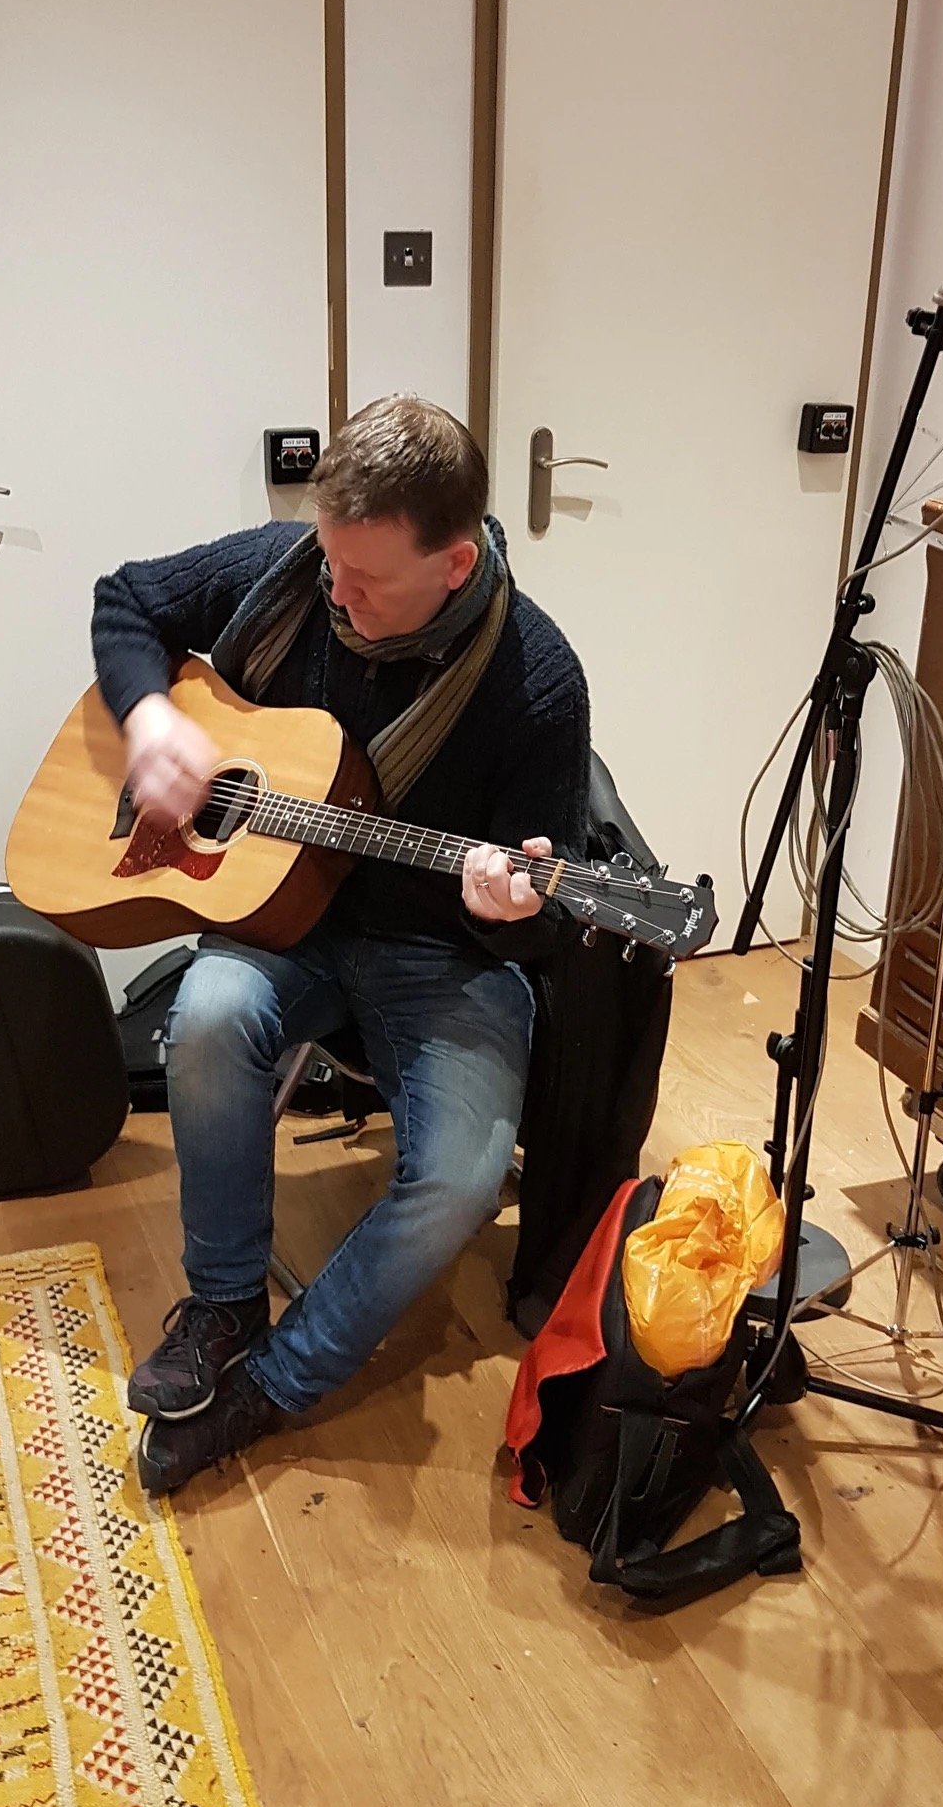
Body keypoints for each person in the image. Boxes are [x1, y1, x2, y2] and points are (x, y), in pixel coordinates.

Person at [92, 394, 590, 1496]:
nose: (334, 591)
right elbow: (126, 600)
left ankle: (274, 1382)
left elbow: (548, 919)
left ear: (455, 564)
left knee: (460, 1181)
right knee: (208, 1019)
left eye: (366, 578)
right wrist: (153, 720)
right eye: (328, 557)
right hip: (282, 929)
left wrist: (506, 904)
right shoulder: (291, 570)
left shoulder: (536, 682)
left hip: (441, 956)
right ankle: (221, 1308)